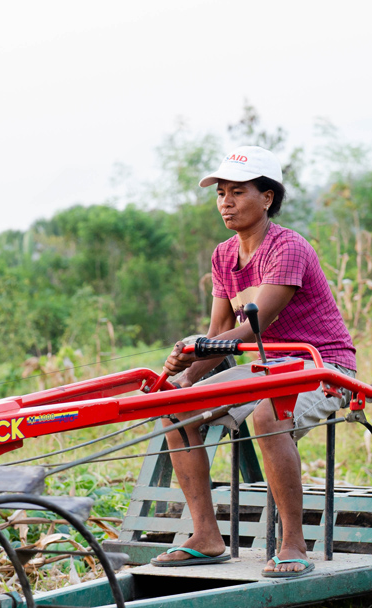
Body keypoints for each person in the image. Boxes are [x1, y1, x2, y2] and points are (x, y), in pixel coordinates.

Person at [150, 145, 357, 577]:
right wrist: (184, 377)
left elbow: (253, 327)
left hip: (320, 364)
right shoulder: (224, 255)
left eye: (237, 192)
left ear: (267, 198)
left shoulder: (289, 247)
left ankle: (293, 544)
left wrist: (199, 352)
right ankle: (206, 536)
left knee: (267, 413)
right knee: (175, 407)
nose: (226, 201)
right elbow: (218, 330)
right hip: (264, 365)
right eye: (221, 192)